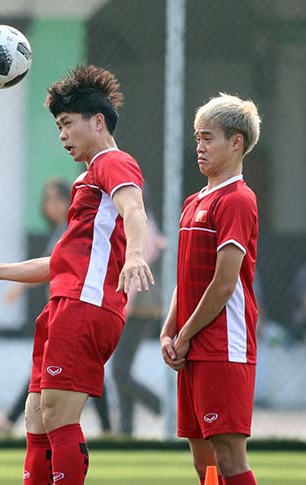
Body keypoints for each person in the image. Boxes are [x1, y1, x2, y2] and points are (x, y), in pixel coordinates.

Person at [0, 65, 153, 485]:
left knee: (56, 413)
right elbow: (59, 262)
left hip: (85, 305)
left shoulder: (113, 162)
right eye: (58, 126)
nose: (61, 135)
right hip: (65, 303)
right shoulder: (86, 181)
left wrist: (134, 254)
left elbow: (134, 208)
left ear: (98, 121)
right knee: (36, 417)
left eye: (67, 124)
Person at [160, 93, 262, 485]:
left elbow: (223, 284)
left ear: (237, 143)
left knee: (229, 458)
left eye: (208, 138)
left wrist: (184, 335)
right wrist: (169, 330)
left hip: (224, 345)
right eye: (197, 137)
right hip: (191, 346)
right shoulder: (193, 201)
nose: (199, 147)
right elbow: (188, 281)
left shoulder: (237, 199)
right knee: (204, 461)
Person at [0, 178, 112, 437]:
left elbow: (56, 264)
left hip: (72, 307)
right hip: (62, 306)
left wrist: (11, 281)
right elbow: (50, 264)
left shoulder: (74, 226)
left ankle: (10, 421)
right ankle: (108, 429)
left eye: (55, 199)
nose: (50, 205)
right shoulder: (62, 228)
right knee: (82, 366)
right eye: (47, 199)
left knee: (49, 368)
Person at [111, 212, 165, 436]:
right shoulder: (140, 223)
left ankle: (162, 406)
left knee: (120, 370)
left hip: (138, 309)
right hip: (136, 307)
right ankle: (126, 429)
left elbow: (136, 268)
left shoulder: (143, 225)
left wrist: (125, 304)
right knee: (122, 369)